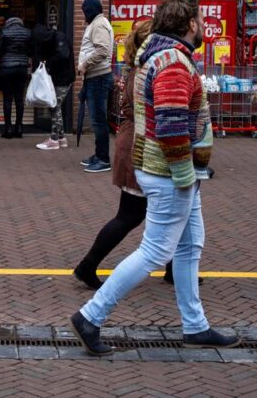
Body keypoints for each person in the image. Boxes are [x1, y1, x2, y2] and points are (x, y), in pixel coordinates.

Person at [70, 0, 239, 356]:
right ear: (191, 23)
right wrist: (183, 174)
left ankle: (195, 326)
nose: (205, 25)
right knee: (155, 250)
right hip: (170, 173)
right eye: (201, 20)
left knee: (190, 245)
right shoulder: (174, 62)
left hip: (169, 169)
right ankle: (90, 315)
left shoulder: (158, 57)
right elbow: (172, 123)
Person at [73, 19, 193, 287]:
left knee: (168, 212)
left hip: (132, 143)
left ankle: (175, 270)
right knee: (133, 215)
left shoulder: (136, 68)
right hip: (141, 147)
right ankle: (88, 265)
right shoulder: (149, 70)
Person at [77, 0, 114, 173]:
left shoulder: (98, 24)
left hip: (98, 78)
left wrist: (84, 65)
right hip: (95, 77)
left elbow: (103, 50)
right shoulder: (98, 23)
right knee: (97, 120)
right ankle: (99, 154)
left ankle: (103, 159)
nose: (83, 13)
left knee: (98, 121)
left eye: (85, 10)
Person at [32, 23, 75, 150]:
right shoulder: (54, 38)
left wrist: (47, 62)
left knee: (55, 107)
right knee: (55, 107)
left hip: (63, 78)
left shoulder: (59, 38)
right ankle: (61, 138)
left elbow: (62, 55)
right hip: (59, 78)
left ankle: (54, 140)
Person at [0, 16, 31, 139]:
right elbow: (30, 51)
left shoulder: (4, 31)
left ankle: (8, 128)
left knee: (7, 99)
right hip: (21, 68)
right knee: (19, 99)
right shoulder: (27, 32)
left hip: (7, 67)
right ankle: (19, 127)